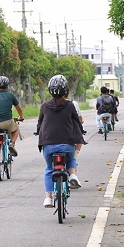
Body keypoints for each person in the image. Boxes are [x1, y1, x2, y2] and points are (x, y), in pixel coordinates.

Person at [37, 75, 86, 207]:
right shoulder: (70, 106)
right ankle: (73, 176)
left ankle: (48, 197)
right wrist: (81, 131)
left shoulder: (45, 106)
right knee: (70, 160)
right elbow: (77, 122)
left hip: (48, 146)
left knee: (49, 169)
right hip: (67, 145)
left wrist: (38, 131)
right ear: (66, 91)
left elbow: (40, 123)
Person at [0, 76, 24, 174]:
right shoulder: (10, 95)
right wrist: (21, 117)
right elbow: (19, 108)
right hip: (8, 122)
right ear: (7, 86)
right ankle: (12, 143)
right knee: (16, 129)